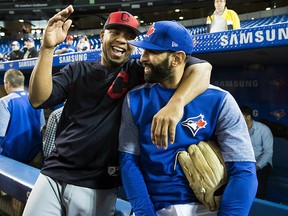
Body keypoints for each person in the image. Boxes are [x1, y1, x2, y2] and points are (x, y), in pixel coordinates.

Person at [23, 5, 212, 216]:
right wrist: (47, 49)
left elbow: (203, 68)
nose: (122, 39)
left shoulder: (139, 71)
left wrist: (176, 104)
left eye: (129, 35)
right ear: (102, 35)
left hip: (97, 183)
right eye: (115, 32)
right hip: (53, 173)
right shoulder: (77, 70)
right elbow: (37, 98)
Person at [119, 20, 258, 216]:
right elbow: (128, 161)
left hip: (205, 207)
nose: (142, 58)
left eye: (152, 52)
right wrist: (145, 213)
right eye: (144, 51)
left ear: (177, 59)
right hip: (153, 206)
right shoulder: (135, 99)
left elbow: (244, 170)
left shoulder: (220, 100)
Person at [0, 68, 45, 216]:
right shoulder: (35, 98)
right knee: (30, 194)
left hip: (12, 157)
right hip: (34, 154)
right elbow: (41, 128)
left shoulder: (5, 101)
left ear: (7, 84)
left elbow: (0, 134)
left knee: (16, 194)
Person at [240, 105, 273, 200]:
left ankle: (260, 206)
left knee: (259, 180)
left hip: (262, 164)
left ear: (248, 117)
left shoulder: (264, 129)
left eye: (240, 115)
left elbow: (268, 153)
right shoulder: (238, 130)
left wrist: (257, 166)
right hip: (246, 162)